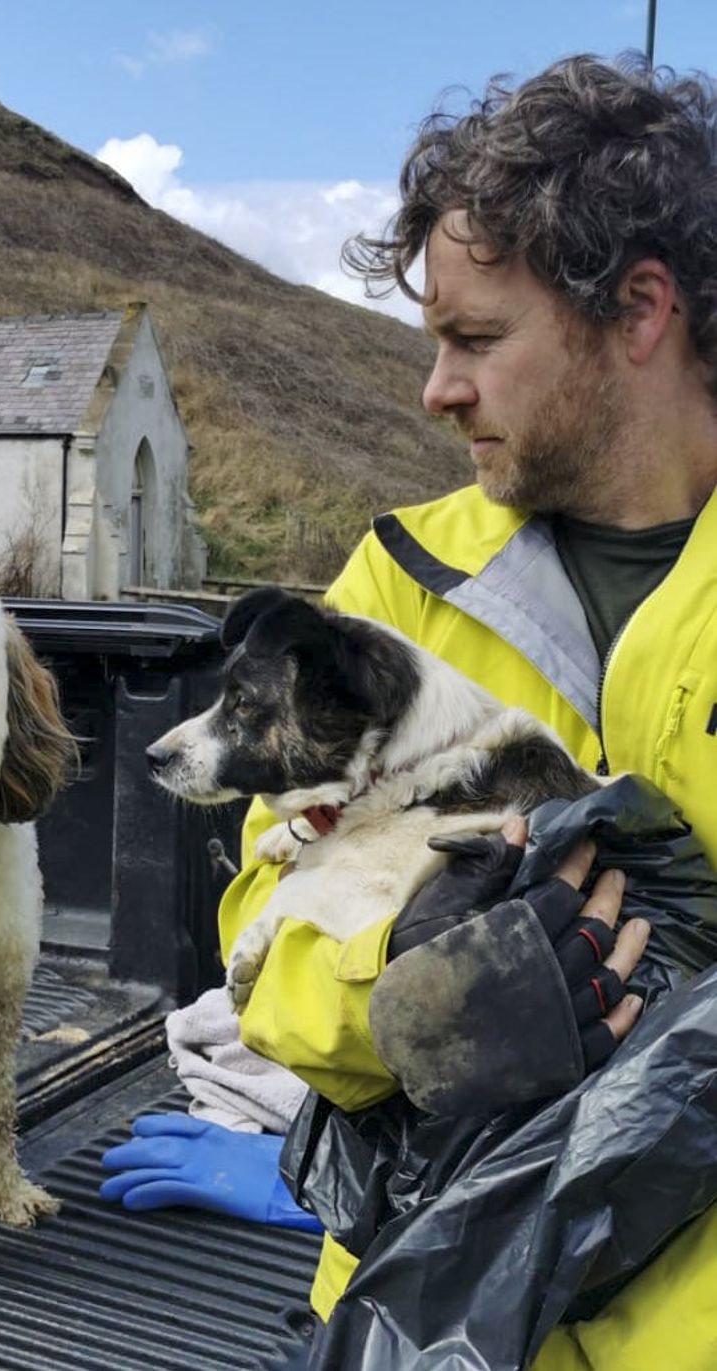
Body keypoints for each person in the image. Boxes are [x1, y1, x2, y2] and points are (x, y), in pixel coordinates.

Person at [214, 54, 717, 1369]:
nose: (435, 390)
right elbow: (254, 940)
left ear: (641, 311)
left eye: (476, 341)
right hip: (413, 1320)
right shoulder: (392, 586)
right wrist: (413, 996)